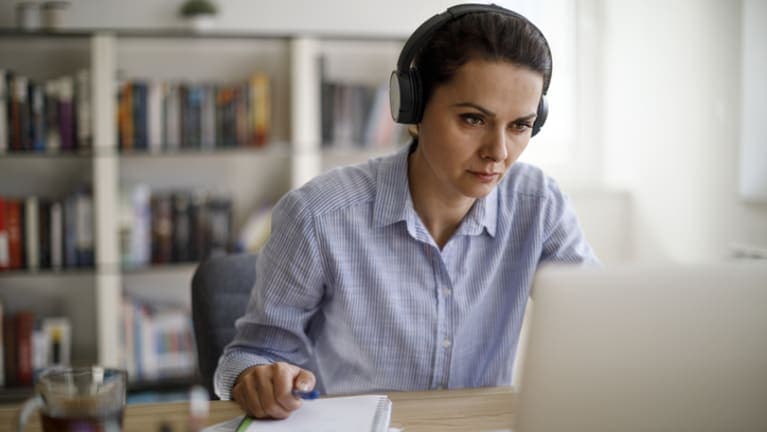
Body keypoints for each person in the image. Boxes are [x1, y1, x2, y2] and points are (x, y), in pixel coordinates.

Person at [214, 3, 597, 419]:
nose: (498, 153)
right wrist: (257, 376)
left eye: (520, 125)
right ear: (411, 110)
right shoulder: (318, 215)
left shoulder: (538, 205)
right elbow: (246, 356)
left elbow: (600, 321)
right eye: (472, 119)